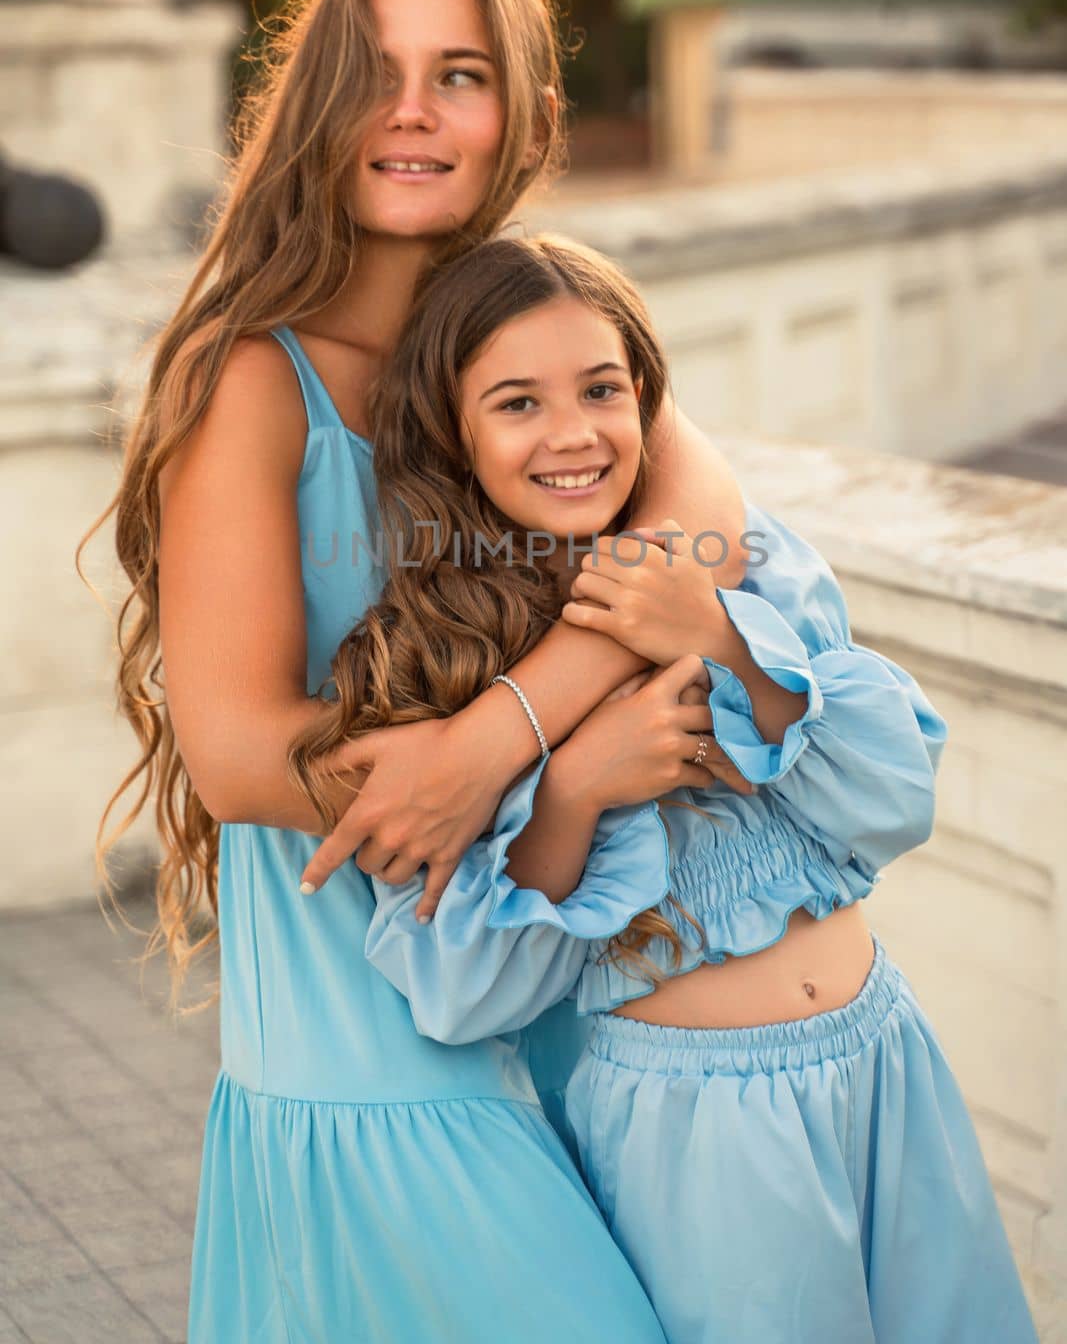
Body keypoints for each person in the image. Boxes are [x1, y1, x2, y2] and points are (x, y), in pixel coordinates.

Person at [82, 0, 751, 1341]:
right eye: (374, 71)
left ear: (524, 111)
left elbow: (703, 533)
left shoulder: (526, 333)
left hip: (564, 1013)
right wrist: (507, 755)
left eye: (459, 72)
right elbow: (237, 753)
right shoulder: (248, 379)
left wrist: (498, 737)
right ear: (315, 106)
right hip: (370, 1062)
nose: (410, 110)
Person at [293, 232, 1038, 1344]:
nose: (572, 432)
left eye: (602, 388)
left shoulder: (746, 566)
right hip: (701, 1128)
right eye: (515, 403)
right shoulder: (432, 663)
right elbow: (462, 992)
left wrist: (722, 639)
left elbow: (892, 801)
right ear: (451, 432)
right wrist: (574, 790)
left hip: (886, 1059)